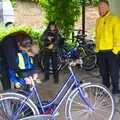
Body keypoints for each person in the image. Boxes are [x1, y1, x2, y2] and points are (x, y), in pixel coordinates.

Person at [95, 0, 120, 94]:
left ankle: (115, 89)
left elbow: (118, 37)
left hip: (111, 52)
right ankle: (105, 88)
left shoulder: (114, 19)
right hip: (100, 51)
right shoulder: (98, 20)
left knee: (113, 73)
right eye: (99, 8)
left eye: (102, 7)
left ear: (107, 8)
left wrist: (115, 51)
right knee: (103, 73)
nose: (100, 10)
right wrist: (97, 50)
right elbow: (97, 36)